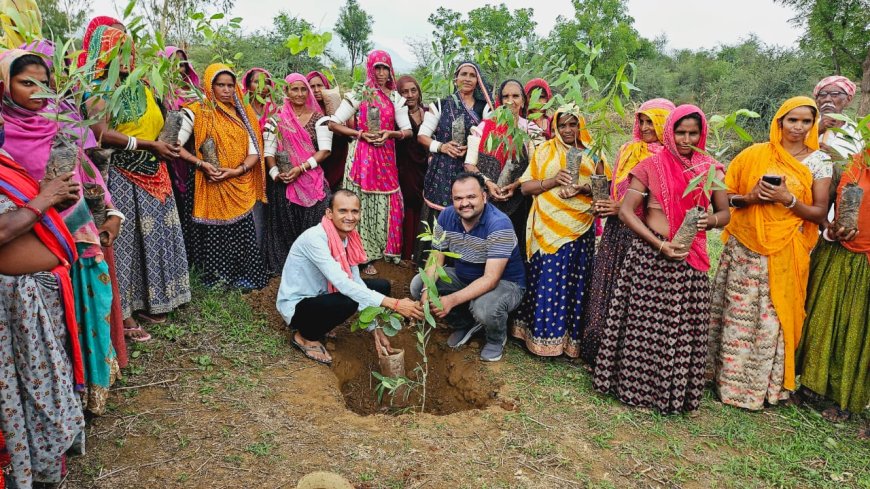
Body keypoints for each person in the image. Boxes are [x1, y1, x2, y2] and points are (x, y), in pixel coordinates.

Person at [1, 49, 124, 411]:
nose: (38, 92)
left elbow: (87, 172)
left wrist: (112, 212)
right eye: (26, 83)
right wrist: (44, 200)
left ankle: (91, 390)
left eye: (44, 83)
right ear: (5, 86)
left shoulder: (62, 121)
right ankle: (64, 395)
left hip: (80, 234)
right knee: (53, 326)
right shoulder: (4, 133)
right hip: (34, 242)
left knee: (90, 307)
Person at [593, 105, 729, 414]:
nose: (685, 138)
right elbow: (627, 212)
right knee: (643, 329)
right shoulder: (650, 166)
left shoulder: (711, 170)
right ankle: (634, 391)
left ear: (702, 133)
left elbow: (724, 213)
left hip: (688, 257)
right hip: (650, 255)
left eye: (693, 133)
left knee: (678, 330)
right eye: (680, 132)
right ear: (669, 131)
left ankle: (671, 396)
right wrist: (659, 245)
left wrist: (710, 221)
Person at [708, 96, 831, 410]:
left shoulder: (819, 162)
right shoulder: (755, 154)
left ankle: (761, 390)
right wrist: (751, 198)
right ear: (779, 122)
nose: (799, 127)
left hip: (786, 250)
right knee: (736, 315)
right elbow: (725, 199)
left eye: (806, 121)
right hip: (745, 247)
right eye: (792, 120)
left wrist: (787, 199)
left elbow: (819, 214)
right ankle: (720, 378)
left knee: (771, 321)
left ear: (813, 124)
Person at [84, 26, 192, 339]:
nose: (126, 58)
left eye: (129, 51)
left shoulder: (142, 84)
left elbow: (158, 122)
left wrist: (164, 142)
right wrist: (147, 146)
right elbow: (100, 133)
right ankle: (126, 312)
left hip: (156, 169)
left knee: (158, 236)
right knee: (126, 243)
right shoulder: (98, 87)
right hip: (121, 174)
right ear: (103, 54)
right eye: (118, 52)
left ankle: (154, 300)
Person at [0, 125, 86, 488]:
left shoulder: (5, 163)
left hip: (34, 298)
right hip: (10, 308)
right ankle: (25, 470)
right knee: (18, 395)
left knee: (44, 386)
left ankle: (46, 466)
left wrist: (52, 201)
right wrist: (43, 200)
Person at [276, 189, 423, 365]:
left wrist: (375, 329)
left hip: (322, 297)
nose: (350, 217)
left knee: (381, 286)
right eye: (343, 211)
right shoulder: (315, 239)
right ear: (329, 213)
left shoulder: (349, 238)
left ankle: (324, 324)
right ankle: (305, 336)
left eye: (354, 211)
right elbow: (343, 284)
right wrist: (395, 304)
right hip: (298, 306)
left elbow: (356, 282)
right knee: (348, 300)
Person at [581, 98, 675, 365]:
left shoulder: (668, 158)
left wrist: (620, 206)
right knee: (606, 286)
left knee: (633, 295)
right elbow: (617, 187)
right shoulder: (628, 149)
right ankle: (598, 351)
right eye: (642, 121)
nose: (645, 128)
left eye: (652, 122)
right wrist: (606, 203)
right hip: (616, 231)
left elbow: (663, 200)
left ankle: (624, 359)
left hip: (644, 233)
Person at [410, 172, 526, 362]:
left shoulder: (499, 224)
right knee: (418, 284)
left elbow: (491, 278)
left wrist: (451, 300)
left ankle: (496, 339)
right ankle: (464, 323)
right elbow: (435, 259)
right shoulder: (447, 216)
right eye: (458, 198)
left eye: (471, 197)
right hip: (466, 276)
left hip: (505, 283)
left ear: (484, 196)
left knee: (484, 307)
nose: (465, 203)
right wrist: (426, 290)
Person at [511, 107, 598, 357]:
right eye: (563, 126)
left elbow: (605, 188)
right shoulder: (545, 150)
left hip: (581, 226)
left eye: (573, 124)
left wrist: (583, 188)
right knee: (548, 279)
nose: (568, 130)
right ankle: (539, 338)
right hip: (547, 226)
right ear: (555, 127)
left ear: (581, 124)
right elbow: (526, 188)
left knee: (574, 282)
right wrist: (554, 180)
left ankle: (568, 341)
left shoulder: (593, 151)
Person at [175, 63, 269, 290]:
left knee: (241, 235)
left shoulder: (243, 114)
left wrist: (237, 171)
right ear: (210, 85)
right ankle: (217, 279)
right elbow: (175, 145)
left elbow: (254, 151)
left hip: (238, 182)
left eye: (230, 85)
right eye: (220, 85)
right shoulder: (197, 111)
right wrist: (202, 164)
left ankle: (244, 278)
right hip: (209, 182)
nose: (226, 90)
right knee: (214, 234)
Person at [797, 150, 869, 424]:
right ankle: (811, 388)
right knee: (820, 320)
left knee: (856, 331)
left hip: (866, 260)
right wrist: (831, 228)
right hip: (835, 252)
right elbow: (824, 208)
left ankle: (846, 400)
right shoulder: (851, 163)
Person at [327, 50, 411, 274]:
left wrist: (389, 134)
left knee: (390, 200)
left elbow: (407, 131)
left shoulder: (395, 98)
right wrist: (360, 134)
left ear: (391, 70)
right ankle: (363, 256)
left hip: (386, 159)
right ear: (370, 69)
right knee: (360, 203)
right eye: (377, 68)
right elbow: (334, 124)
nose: (381, 73)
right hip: (362, 158)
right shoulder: (359, 94)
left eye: (385, 68)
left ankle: (387, 252)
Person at [261, 73, 331, 274]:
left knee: (314, 226)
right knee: (284, 227)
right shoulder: (275, 120)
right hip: (284, 181)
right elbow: (269, 151)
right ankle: (285, 267)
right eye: (295, 89)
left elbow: (325, 150)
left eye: (303, 89)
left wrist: (300, 169)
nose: (300, 94)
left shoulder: (319, 118)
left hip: (311, 180)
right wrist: (275, 174)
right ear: (286, 91)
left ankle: (313, 268)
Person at [465, 79, 543, 256]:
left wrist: (516, 184)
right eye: (505, 96)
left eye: (515, 96)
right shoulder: (484, 127)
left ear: (523, 100)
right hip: (487, 199)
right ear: (499, 100)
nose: (510, 101)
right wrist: (488, 183)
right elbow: (469, 163)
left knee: (515, 248)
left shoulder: (531, 130)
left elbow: (537, 167)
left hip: (519, 202)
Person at [417, 61, 493, 226]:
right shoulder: (441, 105)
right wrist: (442, 147)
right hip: (441, 171)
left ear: (478, 80)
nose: (467, 79)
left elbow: (490, 140)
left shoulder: (485, 108)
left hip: (471, 169)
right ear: (455, 79)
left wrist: (472, 148)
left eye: (472, 75)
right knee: (438, 219)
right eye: (463, 74)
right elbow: (422, 136)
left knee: (468, 210)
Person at [395, 74, 429, 262]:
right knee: (408, 208)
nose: (409, 95)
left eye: (413, 90)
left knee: (424, 206)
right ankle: (406, 252)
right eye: (404, 92)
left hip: (426, 166)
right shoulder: (398, 116)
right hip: (405, 166)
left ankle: (421, 251)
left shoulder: (429, 112)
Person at [307, 70, 349, 192]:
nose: (316, 90)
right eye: (312, 87)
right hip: (315, 163)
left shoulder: (337, 106)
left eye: (320, 86)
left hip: (337, 162)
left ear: (326, 86)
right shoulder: (306, 110)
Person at [814, 75, 862, 161]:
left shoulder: (858, 132)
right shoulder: (804, 127)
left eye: (834, 94)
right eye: (822, 95)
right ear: (817, 101)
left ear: (848, 99)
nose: (827, 99)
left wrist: (839, 160)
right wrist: (817, 131)